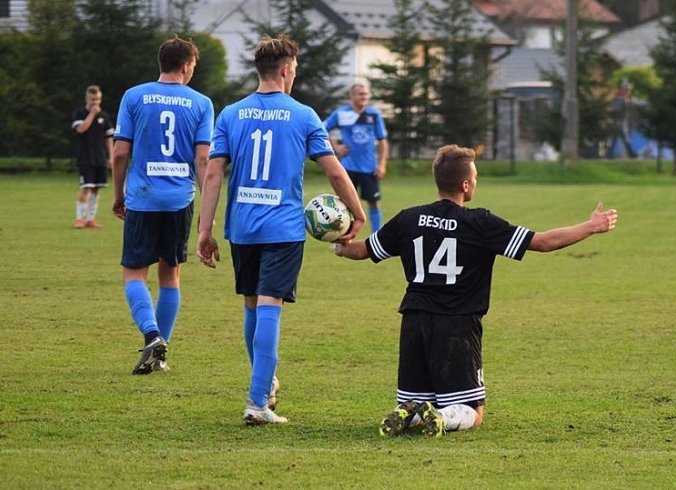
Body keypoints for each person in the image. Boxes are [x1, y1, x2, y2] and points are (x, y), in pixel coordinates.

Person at [333, 144, 618, 437]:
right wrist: (591, 226)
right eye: (476, 177)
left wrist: (339, 244)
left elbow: (363, 250)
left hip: (414, 322)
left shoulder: (409, 218)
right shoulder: (479, 223)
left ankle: (408, 413)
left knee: (417, 399)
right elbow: (543, 242)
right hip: (456, 325)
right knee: (473, 411)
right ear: (465, 184)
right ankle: (442, 418)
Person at [196, 35, 365, 425]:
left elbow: (213, 173)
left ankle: (264, 384)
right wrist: (356, 214)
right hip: (283, 229)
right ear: (287, 69)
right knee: (270, 306)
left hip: (242, 229)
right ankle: (257, 402)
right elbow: (334, 171)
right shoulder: (304, 115)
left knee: (253, 305)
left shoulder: (231, 114)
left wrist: (205, 229)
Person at [111, 36, 215, 375]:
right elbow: (203, 159)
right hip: (179, 199)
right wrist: (206, 205)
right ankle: (160, 353)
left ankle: (152, 336)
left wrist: (118, 194)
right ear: (186, 66)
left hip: (142, 196)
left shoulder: (134, 96)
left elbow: (120, 152)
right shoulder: (201, 103)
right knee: (170, 276)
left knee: (133, 273)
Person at [323, 83, 389, 232]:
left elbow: (382, 140)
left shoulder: (374, 115)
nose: (364, 96)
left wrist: (382, 164)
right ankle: (341, 235)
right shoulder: (341, 114)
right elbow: (321, 129)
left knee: (374, 202)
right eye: (360, 94)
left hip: (369, 167)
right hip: (348, 167)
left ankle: (377, 235)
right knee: (344, 204)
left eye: (365, 94)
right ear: (351, 96)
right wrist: (336, 147)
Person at [72, 85, 114, 229]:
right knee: (86, 187)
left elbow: (109, 137)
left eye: (97, 99)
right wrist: (92, 114)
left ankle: (90, 219)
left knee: (96, 188)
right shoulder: (79, 113)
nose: (95, 102)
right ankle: (79, 219)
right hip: (85, 158)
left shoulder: (104, 116)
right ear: (87, 98)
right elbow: (80, 129)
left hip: (100, 158)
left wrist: (111, 156)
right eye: (92, 99)